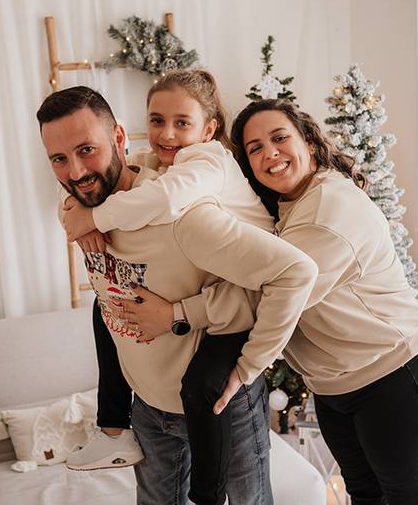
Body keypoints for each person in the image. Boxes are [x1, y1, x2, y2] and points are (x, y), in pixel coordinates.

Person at [119, 99, 418, 505]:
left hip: (394, 372)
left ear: (309, 142)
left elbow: (269, 294)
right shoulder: (283, 205)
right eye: (255, 148)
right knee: (365, 495)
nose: (270, 153)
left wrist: (176, 314)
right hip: (333, 384)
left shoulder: (330, 210)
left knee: (411, 498)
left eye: (279, 138)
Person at [37, 86, 317, 505]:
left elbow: (289, 275)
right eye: (59, 159)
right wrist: (80, 215)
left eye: (87, 150)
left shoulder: (185, 219)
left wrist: (192, 324)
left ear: (118, 137)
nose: (75, 172)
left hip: (222, 405)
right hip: (148, 409)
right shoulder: (80, 208)